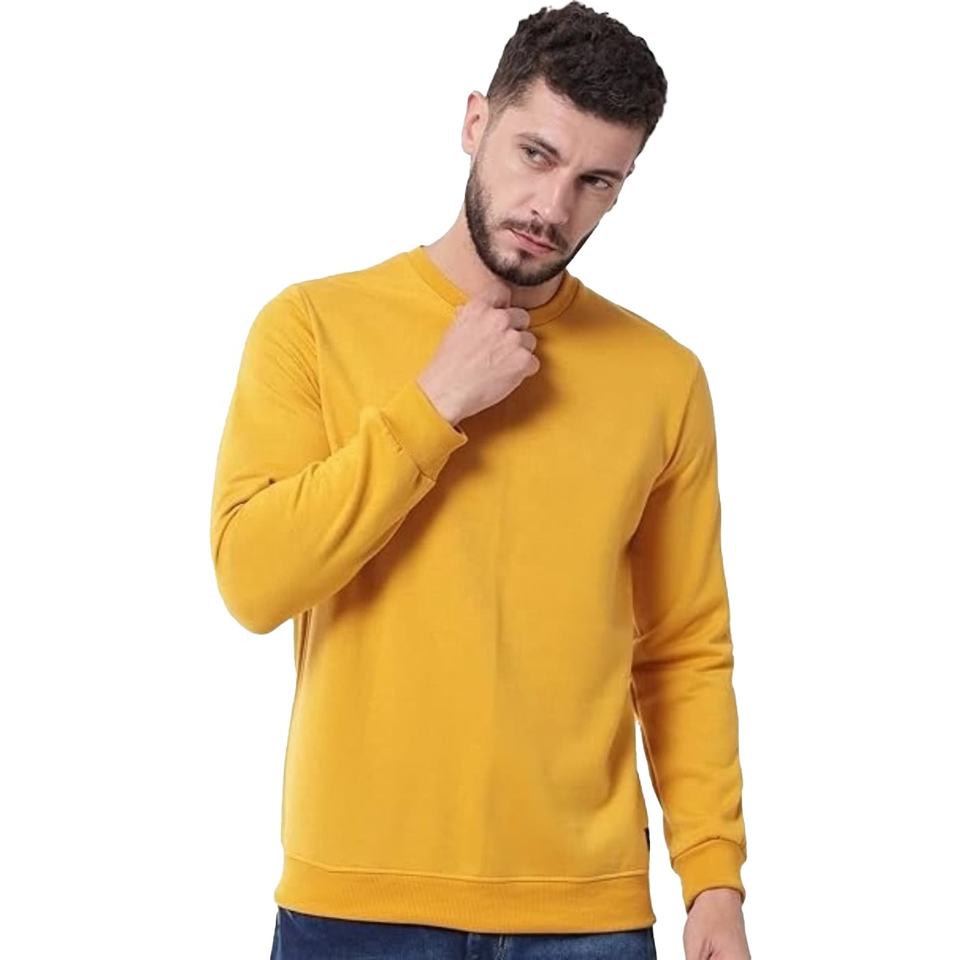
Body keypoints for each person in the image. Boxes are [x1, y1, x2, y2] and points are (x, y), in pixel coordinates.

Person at [210, 3, 751, 958]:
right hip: (357, 905)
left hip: (584, 915)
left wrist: (712, 879)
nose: (552, 208)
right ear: (474, 123)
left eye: (595, 181)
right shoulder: (311, 327)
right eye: (535, 154)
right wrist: (435, 403)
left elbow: (683, 649)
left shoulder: (663, 379)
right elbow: (254, 580)